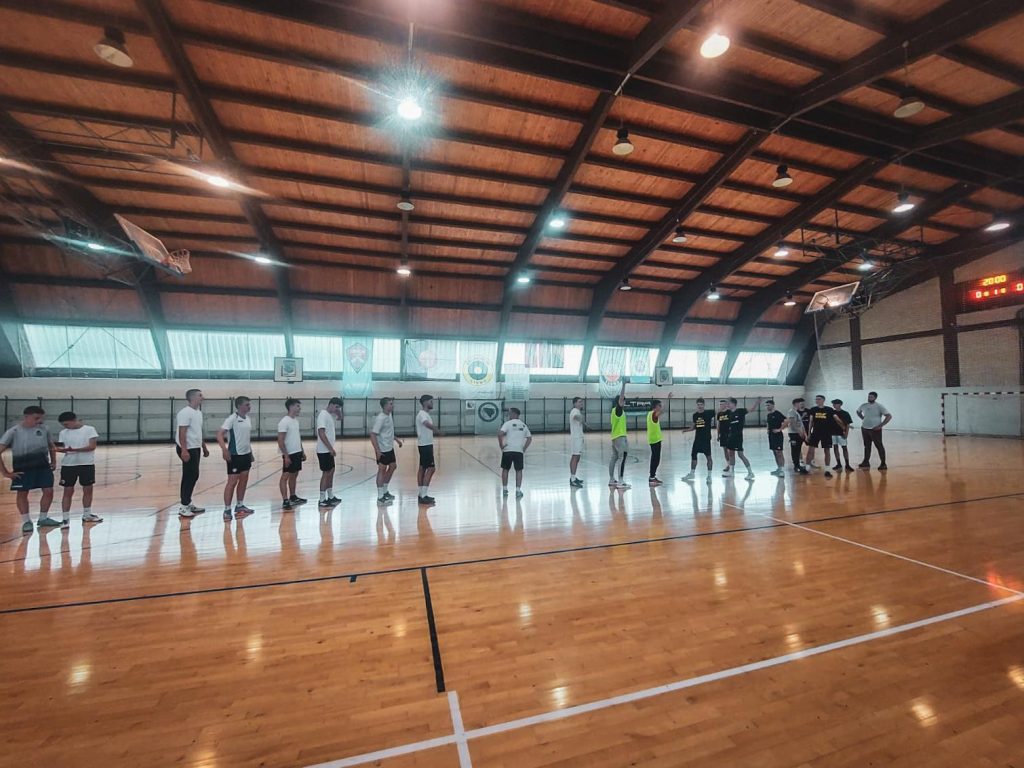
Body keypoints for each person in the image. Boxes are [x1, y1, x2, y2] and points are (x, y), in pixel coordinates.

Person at [0, 405, 59, 533]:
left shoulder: (44, 429)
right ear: (26, 417)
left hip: (43, 467)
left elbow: (51, 445)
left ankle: (43, 518)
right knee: (22, 493)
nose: (39, 421)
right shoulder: (13, 431)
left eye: (41, 418)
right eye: (36, 418)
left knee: (48, 491)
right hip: (23, 468)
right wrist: (5, 472)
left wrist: (54, 461)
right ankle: (26, 521)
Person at [56, 411, 102, 525]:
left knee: (88, 489)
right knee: (68, 490)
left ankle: (87, 514)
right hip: (68, 465)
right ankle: (65, 518)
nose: (66, 427)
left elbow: (92, 446)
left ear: (74, 420)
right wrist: (60, 450)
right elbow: (64, 448)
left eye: (67, 424)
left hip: (86, 464)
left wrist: (74, 450)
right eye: (64, 425)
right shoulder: (63, 432)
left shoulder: (89, 430)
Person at [217, 396, 255, 521]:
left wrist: (250, 452)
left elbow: (246, 438)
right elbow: (219, 434)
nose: (249, 407)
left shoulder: (248, 419)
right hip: (235, 455)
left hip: (246, 455)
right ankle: (227, 509)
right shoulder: (232, 419)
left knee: (243, 480)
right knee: (232, 482)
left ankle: (239, 505)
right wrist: (224, 450)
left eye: (249, 404)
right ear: (239, 406)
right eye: (247, 404)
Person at [175, 388, 209, 518]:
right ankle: (183, 506)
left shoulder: (198, 413)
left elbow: (197, 431)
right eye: (200, 395)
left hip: (195, 447)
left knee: (194, 475)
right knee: (189, 476)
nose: (202, 397)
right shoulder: (185, 413)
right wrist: (184, 450)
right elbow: (182, 432)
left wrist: (204, 447)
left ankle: (188, 503)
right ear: (193, 398)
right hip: (187, 448)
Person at [370, 397, 403, 504]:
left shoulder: (389, 415)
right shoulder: (381, 418)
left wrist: (396, 440)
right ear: (384, 406)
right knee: (382, 470)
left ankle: (385, 491)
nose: (393, 406)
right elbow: (373, 435)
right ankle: (380, 496)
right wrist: (377, 451)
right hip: (383, 449)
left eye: (392, 404)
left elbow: (389, 432)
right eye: (390, 404)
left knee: (393, 466)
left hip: (389, 447)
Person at [277, 398, 307, 510]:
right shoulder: (284, 422)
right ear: (291, 407)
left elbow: (297, 437)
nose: (299, 408)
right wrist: (286, 456)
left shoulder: (295, 421)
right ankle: (285, 500)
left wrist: (302, 451)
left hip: (297, 452)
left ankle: (293, 497)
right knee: (285, 476)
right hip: (289, 453)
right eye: (297, 406)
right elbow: (280, 440)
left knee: (294, 475)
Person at [498, 407, 532, 498]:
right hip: (518, 451)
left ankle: (504, 489)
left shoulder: (507, 424)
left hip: (508, 450)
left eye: (510, 413)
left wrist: (501, 445)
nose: (509, 415)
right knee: (519, 470)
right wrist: (524, 448)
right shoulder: (523, 425)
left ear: (514, 414)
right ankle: (518, 490)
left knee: (505, 469)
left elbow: (500, 434)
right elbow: (529, 438)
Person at [315, 397, 344, 508]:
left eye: (339, 408)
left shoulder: (328, 415)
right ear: (331, 404)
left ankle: (330, 496)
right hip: (324, 450)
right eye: (336, 407)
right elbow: (321, 433)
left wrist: (339, 412)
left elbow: (340, 418)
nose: (337, 409)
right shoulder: (323, 415)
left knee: (331, 471)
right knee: (326, 473)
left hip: (328, 450)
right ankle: (322, 499)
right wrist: (330, 448)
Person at [805, 395, 845, 471]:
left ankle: (827, 469)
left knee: (827, 450)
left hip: (826, 433)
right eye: (816, 399)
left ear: (823, 400)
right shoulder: (813, 409)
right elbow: (811, 422)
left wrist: (843, 427)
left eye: (819, 399)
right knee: (810, 450)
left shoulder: (829, 409)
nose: (817, 400)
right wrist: (809, 433)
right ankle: (807, 467)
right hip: (816, 432)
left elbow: (836, 419)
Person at [724, 397, 760, 480]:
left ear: (734, 404)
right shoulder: (728, 413)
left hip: (738, 437)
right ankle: (731, 472)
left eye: (729, 403)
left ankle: (750, 473)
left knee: (740, 455)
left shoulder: (741, 411)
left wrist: (757, 402)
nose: (727, 405)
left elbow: (752, 409)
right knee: (731, 454)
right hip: (730, 436)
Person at [416, 394, 443, 505]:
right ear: (425, 402)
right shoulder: (422, 414)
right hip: (425, 445)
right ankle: (423, 495)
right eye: (431, 401)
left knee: (422, 468)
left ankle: (421, 494)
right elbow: (426, 424)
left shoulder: (425, 414)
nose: (432, 403)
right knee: (431, 469)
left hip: (425, 444)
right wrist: (437, 430)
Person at [857, 391, 892, 470]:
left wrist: (880, 425)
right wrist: (863, 418)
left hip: (875, 430)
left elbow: (889, 416)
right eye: (869, 396)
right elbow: (858, 412)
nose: (869, 398)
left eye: (871, 397)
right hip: (865, 428)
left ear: (875, 398)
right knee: (867, 446)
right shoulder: (864, 405)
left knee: (879, 446)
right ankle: (866, 462)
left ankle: (883, 464)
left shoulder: (879, 406)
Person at [682, 397, 714, 484]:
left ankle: (709, 476)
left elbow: (719, 412)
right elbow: (693, 427)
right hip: (697, 439)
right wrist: (686, 430)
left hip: (706, 439)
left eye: (701, 404)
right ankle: (692, 473)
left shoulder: (709, 413)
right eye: (698, 405)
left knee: (708, 457)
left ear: (704, 405)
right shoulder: (695, 415)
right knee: (693, 455)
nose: (700, 406)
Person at [608, 379, 630, 490]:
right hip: (620, 437)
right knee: (622, 458)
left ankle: (612, 479)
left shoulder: (613, 411)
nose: (624, 402)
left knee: (614, 458)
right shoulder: (618, 410)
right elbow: (621, 398)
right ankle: (620, 481)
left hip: (614, 437)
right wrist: (624, 385)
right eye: (623, 401)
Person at [830, 398, 855, 472]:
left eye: (835, 404)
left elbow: (848, 424)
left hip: (841, 433)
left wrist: (846, 433)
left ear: (840, 404)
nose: (834, 405)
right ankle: (838, 464)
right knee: (835, 448)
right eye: (833, 404)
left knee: (844, 448)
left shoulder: (845, 413)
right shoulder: (831, 413)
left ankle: (847, 464)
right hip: (833, 433)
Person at [786, 398, 809, 475]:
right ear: (796, 404)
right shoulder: (791, 412)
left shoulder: (796, 412)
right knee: (795, 450)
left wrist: (804, 433)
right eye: (800, 404)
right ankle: (796, 466)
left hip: (798, 433)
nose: (801, 405)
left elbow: (800, 424)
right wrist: (799, 432)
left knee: (798, 450)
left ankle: (798, 465)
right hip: (794, 434)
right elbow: (792, 424)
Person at [765, 400, 787, 477]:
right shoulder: (769, 415)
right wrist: (768, 429)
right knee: (775, 452)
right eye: (766, 405)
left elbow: (786, 421)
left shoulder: (777, 413)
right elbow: (768, 423)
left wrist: (780, 429)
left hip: (778, 436)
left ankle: (782, 470)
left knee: (779, 453)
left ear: (773, 405)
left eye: (768, 405)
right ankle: (779, 468)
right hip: (771, 436)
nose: (767, 407)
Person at [568, 397, 585, 488]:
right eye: (579, 402)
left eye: (582, 402)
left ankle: (573, 477)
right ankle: (573, 479)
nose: (581, 403)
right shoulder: (575, 411)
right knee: (575, 457)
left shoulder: (577, 411)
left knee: (577, 457)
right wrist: (580, 418)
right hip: (576, 438)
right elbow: (575, 417)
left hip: (578, 438)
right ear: (574, 404)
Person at [647, 399, 663, 486]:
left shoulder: (649, 414)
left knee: (655, 458)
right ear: (655, 407)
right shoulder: (653, 414)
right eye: (659, 406)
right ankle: (652, 477)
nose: (660, 407)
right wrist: (668, 399)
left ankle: (652, 476)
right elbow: (660, 412)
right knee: (656, 459)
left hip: (653, 439)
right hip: (655, 440)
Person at [716, 399, 731, 471]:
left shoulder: (729, 412)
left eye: (722, 404)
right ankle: (728, 464)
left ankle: (731, 465)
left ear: (725, 405)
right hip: (722, 434)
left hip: (729, 434)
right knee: (725, 450)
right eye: (720, 404)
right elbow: (718, 424)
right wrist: (718, 435)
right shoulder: (719, 414)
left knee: (730, 450)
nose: (721, 406)